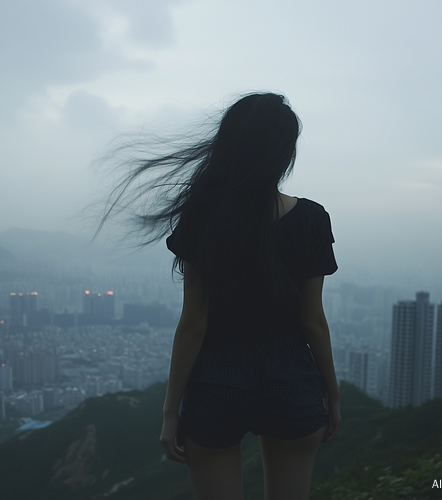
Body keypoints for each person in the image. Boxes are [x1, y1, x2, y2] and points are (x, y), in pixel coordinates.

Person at [101, 92, 341, 500]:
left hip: (218, 382)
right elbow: (312, 321)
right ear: (284, 152)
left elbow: (194, 324)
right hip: (291, 379)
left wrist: (169, 412)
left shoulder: (203, 215)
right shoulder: (312, 219)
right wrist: (331, 397)